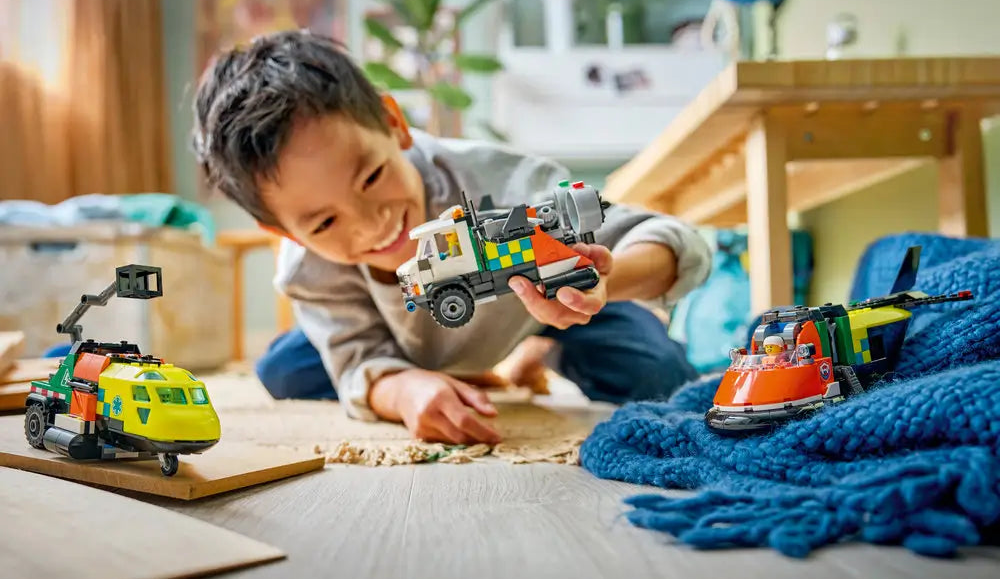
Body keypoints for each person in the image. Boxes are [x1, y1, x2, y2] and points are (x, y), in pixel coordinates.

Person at [191, 31, 711, 445]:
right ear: (283, 232)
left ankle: (537, 350)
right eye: (324, 223)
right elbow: (356, 360)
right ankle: (467, 374)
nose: (371, 225)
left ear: (394, 125)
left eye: (371, 177)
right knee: (284, 370)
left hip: (542, 310)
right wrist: (402, 390)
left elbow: (674, 241)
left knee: (661, 373)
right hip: (398, 341)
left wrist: (601, 282)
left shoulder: (504, 186)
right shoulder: (307, 267)